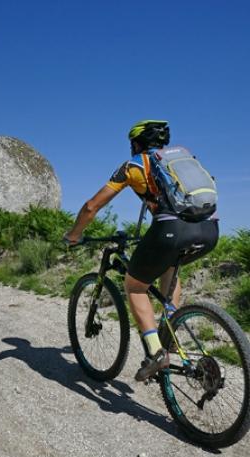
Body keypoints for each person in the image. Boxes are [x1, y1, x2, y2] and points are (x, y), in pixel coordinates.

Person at [63, 120, 219, 381]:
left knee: (135, 286)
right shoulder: (179, 162)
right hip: (210, 229)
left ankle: (157, 352)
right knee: (169, 266)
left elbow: (92, 206)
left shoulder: (133, 166)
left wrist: (74, 235)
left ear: (135, 143)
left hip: (172, 231)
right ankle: (169, 333)